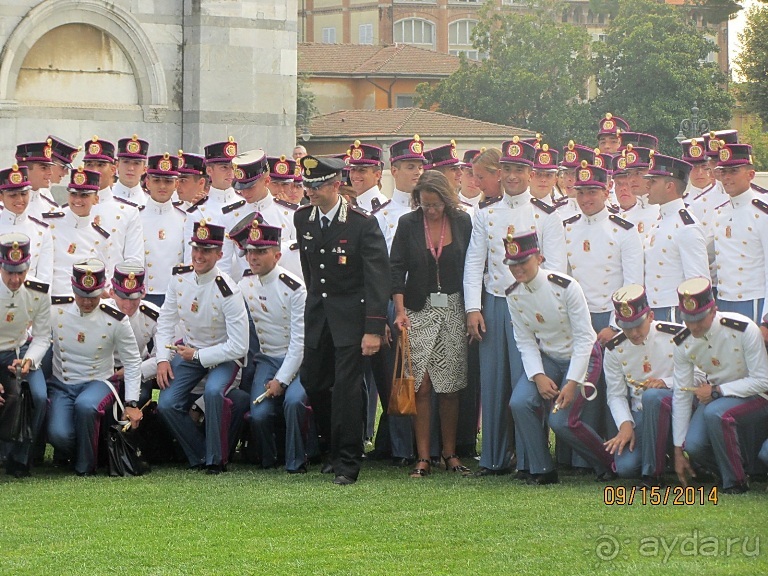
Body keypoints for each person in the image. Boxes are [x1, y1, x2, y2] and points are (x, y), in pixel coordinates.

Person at [464, 137, 566, 477]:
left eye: (519, 169)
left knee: (527, 380)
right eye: (506, 169)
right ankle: (492, 457)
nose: (511, 176)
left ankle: (527, 458)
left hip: (531, 307)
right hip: (495, 301)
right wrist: (472, 308)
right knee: (492, 383)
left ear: (530, 172)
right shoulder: (485, 214)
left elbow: (556, 270)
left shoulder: (546, 215)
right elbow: (474, 262)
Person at [294, 155, 390, 485]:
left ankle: (348, 461)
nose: (310, 192)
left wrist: (374, 327)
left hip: (351, 317)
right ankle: (330, 449)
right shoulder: (303, 218)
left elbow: (378, 278)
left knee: (347, 390)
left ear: (336, 185)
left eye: (317, 186)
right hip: (319, 316)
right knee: (315, 382)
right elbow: (310, 271)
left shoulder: (361, 223)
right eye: (307, 186)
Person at [505, 232, 612, 484]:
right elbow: (525, 340)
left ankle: (608, 463)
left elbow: (586, 338)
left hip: (583, 356)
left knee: (561, 421)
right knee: (519, 403)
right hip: (549, 358)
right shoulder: (513, 294)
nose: (518, 269)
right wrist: (538, 376)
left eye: (524, 262)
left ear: (539, 258)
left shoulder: (565, 286)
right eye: (512, 264)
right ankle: (542, 469)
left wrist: (572, 382)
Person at [391, 171, 473, 478]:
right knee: (422, 386)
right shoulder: (408, 224)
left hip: (453, 308)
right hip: (417, 310)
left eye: (436, 204)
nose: (431, 210)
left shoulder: (463, 222)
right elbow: (396, 268)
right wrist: (399, 311)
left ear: (447, 200)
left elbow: (474, 264)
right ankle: (423, 457)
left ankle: (450, 454)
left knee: (449, 387)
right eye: (425, 205)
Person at [155, 221, 249, 473]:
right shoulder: (180, 278)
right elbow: (165, 319)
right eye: (196, 248)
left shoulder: (228, 289)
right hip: (189, 351)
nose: (199, 255)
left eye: (206, 251)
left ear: (219, 255)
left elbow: (239, 346)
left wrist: (198, 355)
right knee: (166, 403)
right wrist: (162, 359)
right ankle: (200, 453)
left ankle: (216, 461)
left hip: (223, 356)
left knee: (214, 392)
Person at [672, 277, 768, 494]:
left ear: (714, 311)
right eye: (688, 319)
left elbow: (763, 380)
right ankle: (733, 471)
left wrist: (718, 391)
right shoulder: (682, 341)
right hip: (716, 396)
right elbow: (681, 393)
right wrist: (678, 449)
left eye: (699, 318)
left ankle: (736, 482)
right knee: (693, 446)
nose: (693, 326)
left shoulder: (743, 329)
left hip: (757, 395)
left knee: (716, 413)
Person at [47, 259, 143, 476]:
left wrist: (131, 403)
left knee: (86, 405)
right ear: (73, 288)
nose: (88, 302)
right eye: (82, 295)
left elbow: (132, 360)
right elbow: (40, 338)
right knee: (58, 434)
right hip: (63, 382)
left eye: (93, 296)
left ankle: (85, 467)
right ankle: (96, 453)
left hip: (100, 381)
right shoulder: (56, 309)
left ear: (103, 291)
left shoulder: (116, 319)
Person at [239, 222, 312, 473]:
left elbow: (299, 342)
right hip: (268, 358)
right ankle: (269, 459)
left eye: (260, 252)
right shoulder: (245, 284)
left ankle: (297, 460)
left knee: (293, 402)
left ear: (277, 255)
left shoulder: (294, 289)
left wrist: (281, 380)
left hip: (299, 360)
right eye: (250, 252)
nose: (253, 257)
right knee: (258, 414)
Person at [603, 285, 686, 485]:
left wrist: (665, 383)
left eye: (638, 324)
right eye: (626, 326)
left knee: (652, 396)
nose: (633, 333)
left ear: (650, 316)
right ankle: (663, 456)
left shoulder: (675, 335)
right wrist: (625, 424)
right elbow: (616, 394)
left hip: (678, 407)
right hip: (641, 413)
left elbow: (700, 376)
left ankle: (653, 474)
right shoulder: (614, 348)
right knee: (626, 468)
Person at [0, 233, 51, 477]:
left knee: (39, 396)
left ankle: (21, 458)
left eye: (20, 271)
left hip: (17, 353)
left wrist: (29, 361)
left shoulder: (38, 292)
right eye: (10, 272)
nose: (15, 278)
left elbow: (42, 337)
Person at [643, 153, 709, 321]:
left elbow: (698, 282)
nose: (647, 186)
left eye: (653, 181)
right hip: (655, 309)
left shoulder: (686, 226)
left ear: (669, 186)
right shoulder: (661, 220)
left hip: (675, 312)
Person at [223, 150, 301, 280]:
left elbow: (295, 261)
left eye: (250, 187)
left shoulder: (290, 213)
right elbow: (224, 264)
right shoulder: (230, 215)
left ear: (266, 181)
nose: (245, 193)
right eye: (241, 188)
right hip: (246, 291)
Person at [712, 143, 768, 324]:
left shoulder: (762, 213)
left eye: (734, 171)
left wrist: (766, 319)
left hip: (753, 302)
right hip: (724, 301)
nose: (727, 177)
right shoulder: (720, 213)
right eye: (723, 172)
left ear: (751, 175)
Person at [48, 166, 114, 297]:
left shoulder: (101, 237)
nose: (77, 200)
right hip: (52, 301)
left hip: (83, 303)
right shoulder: (50, 223)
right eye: (73, 194)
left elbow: (104, 276)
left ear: (96, 199)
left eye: (84, 195)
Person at [82, 136, 144, 269]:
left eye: (100, 165)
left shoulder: (129, 212)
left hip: (112, 286)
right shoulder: (70, 208)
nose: (94, 170)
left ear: (112, 169)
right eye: (89, 165)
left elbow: (133, 261)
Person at [140, 153, 186, 307]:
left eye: (168, 181)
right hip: (143, 293)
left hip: (174, 295)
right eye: (157, 180)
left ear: (176, 184)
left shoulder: (184, 219)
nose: (162, 186)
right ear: (147, 182)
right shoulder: (135, 217)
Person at [0, 165, 53, 284]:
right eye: (13, 195)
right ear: (1, 196)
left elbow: (45, 276)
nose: (19, 199)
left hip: (30, 298)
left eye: (24, 194)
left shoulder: (41, 230)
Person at [15, 140, 59, 218]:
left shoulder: (47, 200)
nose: (50, 173)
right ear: (25, 170)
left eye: (49, 168)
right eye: (44, 168)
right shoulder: (8, 203)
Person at [112, 134, 150, 207]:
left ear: (144, 169)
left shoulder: (149, 202)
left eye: (136, 163)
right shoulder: (103, 197)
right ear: (117, 165)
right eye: (126, 162)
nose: (131, 168)